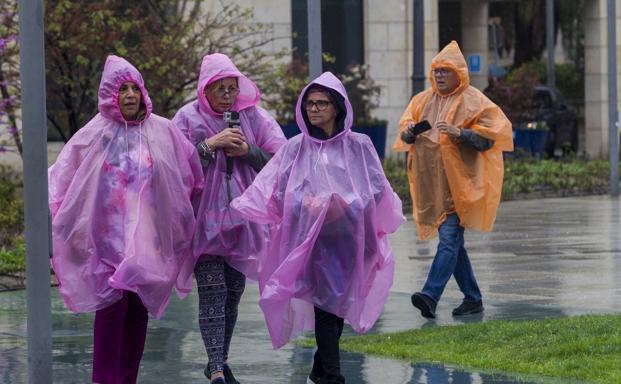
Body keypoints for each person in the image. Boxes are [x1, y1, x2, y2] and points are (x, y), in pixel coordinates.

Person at [232, 72, 405, 384]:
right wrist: (309, 203)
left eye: (321, 103)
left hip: (350, 239)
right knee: (326, 305)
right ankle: (333, 377)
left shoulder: (359, 146)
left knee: (337, 308)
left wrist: (345, 204)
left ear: (336, 107)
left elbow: (377, 189)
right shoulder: (296, 148)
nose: (313, 109)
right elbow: (279, 190)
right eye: (309, 103)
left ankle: (319, 370)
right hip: (313, 244)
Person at [48, 55, 204, 384]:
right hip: (105, 240)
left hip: (146, 239)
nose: (131, 95)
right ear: (110, 95)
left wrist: (173, 221)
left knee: (136, 307)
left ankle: (127, 378)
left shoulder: (163, 130)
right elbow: (60, 181)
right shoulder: (93, 134)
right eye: (122, 89)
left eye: (135, 88)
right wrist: (68, 229)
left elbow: (188, 172)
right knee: (111, 306)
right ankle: (104, 380)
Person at [173, 53, 286, 384]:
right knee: (213, 290)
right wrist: (210, 145)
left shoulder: (253, 117)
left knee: (233, 293)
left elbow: (281, 161)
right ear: (204, 89)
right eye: (219, 88)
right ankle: (217, 370)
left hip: (242, 224)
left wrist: (247, 151)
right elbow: (173, 166)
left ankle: (218, 359)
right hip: (202, 226)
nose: (226, 94)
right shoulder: (186, 119)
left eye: (231, 87)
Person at [394, 41, 513, 319]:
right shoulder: (422, 101)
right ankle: (472, 298)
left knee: (448, 239)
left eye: (445, 71)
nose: (439, 76)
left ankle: (430, 295)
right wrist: (409, 133)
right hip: (433, 188)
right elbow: (404, 131)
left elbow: (490, 139)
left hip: (462, 187)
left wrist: (461, 133)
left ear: (459, 73)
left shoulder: (474, 100)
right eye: (436, 71)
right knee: (454, 244)